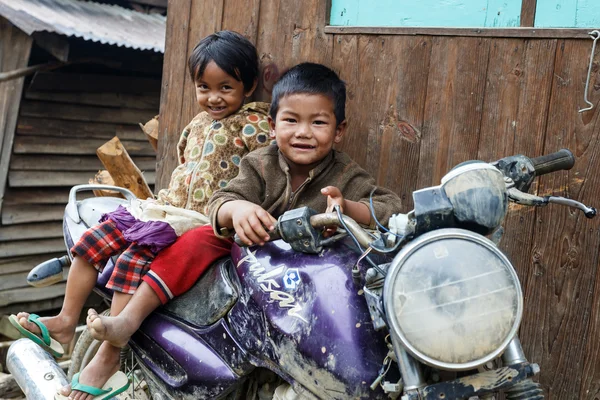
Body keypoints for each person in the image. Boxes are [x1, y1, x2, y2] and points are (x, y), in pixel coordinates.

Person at [11, 30, 272, 400]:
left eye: (225, 87)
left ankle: (110, 353)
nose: (213, 98)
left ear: (248, 87)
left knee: (131, 261)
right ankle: (67, 322)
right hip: (164, 209)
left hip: (199, 220)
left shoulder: (258, 127)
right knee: (95, 239)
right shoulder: (196, 124)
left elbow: (269, 172)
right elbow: (184, 165)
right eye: (204, 87)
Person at [84, 62, 404, 353]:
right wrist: (237, 212)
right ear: (272, 124)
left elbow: (388, 206)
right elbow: (220, 201)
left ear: (339, 131)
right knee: (198, 239)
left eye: (318, 122)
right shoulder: (259, 163)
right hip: (249, 255)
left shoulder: (346, 174)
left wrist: (347, 208)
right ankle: (129, 320)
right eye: (291, 120)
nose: (303, 132)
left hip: (306, 273)